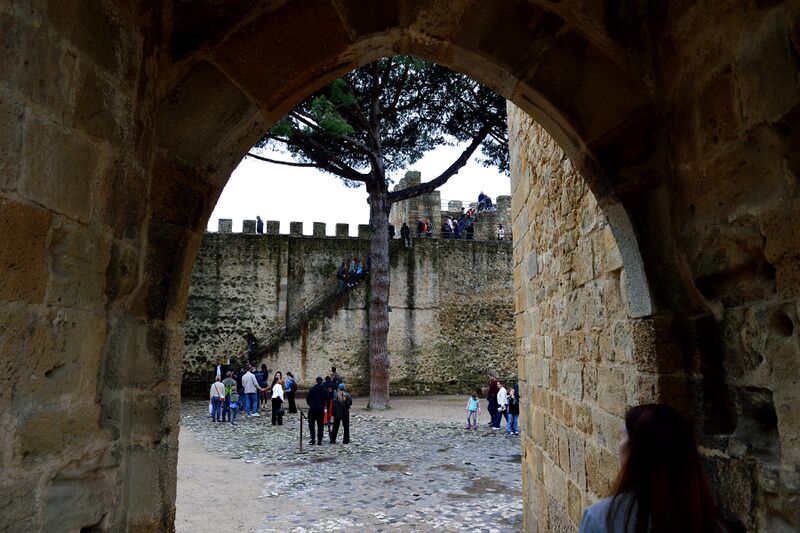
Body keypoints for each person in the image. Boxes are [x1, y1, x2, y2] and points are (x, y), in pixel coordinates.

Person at [578, 404, 725, 533]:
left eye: (622, 436)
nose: (619, 444)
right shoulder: (714, 525)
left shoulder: (600, 519)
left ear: (634, 450)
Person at [306, 377, 328, 445]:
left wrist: (311, 404)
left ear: (316, 381)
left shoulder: (312, 388)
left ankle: (313, 439)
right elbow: (327, 398)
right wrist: (324, 405)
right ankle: (319, 440)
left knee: (311, 425)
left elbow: (308, 398)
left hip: (313, 408)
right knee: (320, 425)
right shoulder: (324, 389)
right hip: (320, 409)